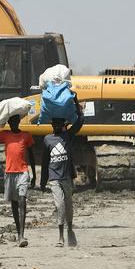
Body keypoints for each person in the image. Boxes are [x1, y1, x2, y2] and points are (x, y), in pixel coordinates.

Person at [0, 114, 35, 247]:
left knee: (22, 201)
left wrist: (34, 174)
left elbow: (31, 155)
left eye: (15, 121)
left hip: (23, 172)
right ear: (9, 122)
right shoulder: (4, 134)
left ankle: (22, 236)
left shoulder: (26, 135)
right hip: (10, 173)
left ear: (18, 121)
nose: (13, 123)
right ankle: (19, 233)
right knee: (14, 204)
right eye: (11, 121)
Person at [41, 104, 83, 247]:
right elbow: (45, 160)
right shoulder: (47, 139)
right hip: (54, 178)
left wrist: (76, 102)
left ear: (63, 125)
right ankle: (60, 237)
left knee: (69, 205)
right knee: (60, 205)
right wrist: (42, 180)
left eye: (59, 124)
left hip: (66, 177)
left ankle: (70, 229)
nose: (57, 126)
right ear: (52, 125)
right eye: (55, 124)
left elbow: (80, 121)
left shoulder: (68, 137)